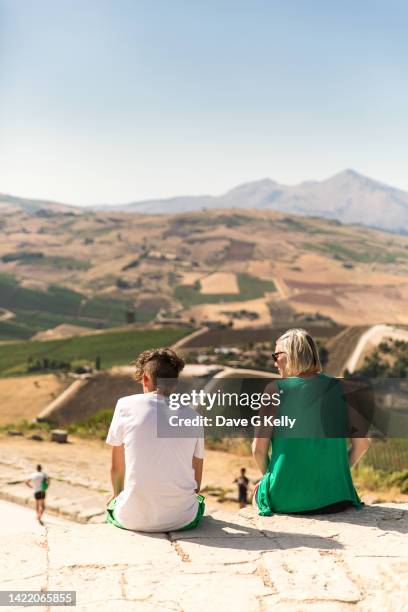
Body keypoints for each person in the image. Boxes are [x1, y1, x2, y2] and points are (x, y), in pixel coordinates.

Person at [252, 328, 370, 516]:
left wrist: (271, 479)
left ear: (291, 355)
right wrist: (335, 476)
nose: (275, 363)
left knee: (257, 491)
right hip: (338, 498)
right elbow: (362, 444)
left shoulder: (274, 391)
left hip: (288, 500)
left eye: (276, 356)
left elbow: (258, 450)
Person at [106, 347, 205, 532]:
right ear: (175, 383)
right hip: (183, 519)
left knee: (111, 505)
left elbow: (117, 466)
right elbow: (197, 481)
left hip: (132, 519)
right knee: (199, 502)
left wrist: (115, 495)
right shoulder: (194, 416)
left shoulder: (125, 405)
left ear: (145, 378)